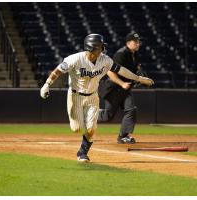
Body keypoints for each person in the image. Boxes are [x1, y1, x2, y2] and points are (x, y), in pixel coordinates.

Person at [40, 33, 154, 163]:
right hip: (75, 96)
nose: (102, 49)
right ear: (91, 48)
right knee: (76, 128)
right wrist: (47, 85)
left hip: (93, 97)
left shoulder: (104, 60)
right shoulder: (75, 59)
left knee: (91, 129)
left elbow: (121, 70)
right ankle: (88, 119)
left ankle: (82, 153)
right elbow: (58, 70)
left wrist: (139, 78)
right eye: (100, 47)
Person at [98, 32, 146, 144]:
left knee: (131, 109)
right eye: (135, 42)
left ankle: (123, 136)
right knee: (107, 117)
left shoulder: (135, 55)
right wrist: (122, 83)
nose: (138, 44)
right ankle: (90, 115)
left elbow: (137, 70)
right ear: (128, 42)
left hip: (125, 89)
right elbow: (110, 72)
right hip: (114, 88)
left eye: (139, 42)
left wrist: (140, 78)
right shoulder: (121, 54)